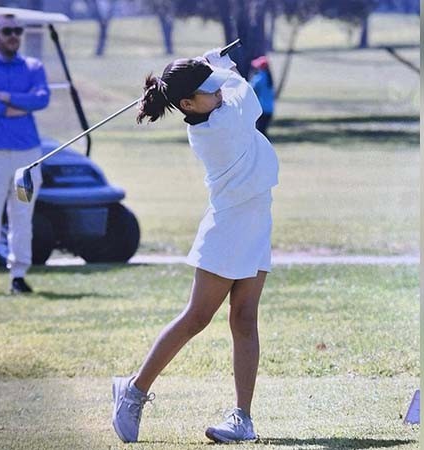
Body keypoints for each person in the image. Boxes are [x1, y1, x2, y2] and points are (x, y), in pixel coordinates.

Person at [111, 48, 279, 444]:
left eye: (216, 88)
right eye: (209, 91)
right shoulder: (222, 125)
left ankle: (243, 419)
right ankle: (134, 391)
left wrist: (210, 69)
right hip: (229, 229)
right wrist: (220, 64)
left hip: (255, 222)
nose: (218, 94)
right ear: (187, 104)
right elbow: (244, 91)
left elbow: (230, 89)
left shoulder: (215, 111)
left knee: (244, 320)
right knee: (196, 319)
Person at [0, 14, 50, 295]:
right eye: (7, 31)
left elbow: (41, 98)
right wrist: (17, 106)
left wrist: (4, 97)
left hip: (25, 155)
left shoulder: (33, 66)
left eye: (18, 31)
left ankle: (18, 275)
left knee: (22, 214)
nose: (14, 36)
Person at [248, 55, 275, 138]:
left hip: (261, 110)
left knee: (260, 133)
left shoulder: (260, 78)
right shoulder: (269, 77)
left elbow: (249, 88)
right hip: (269, 109)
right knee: (263, 131)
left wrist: (251, 76)